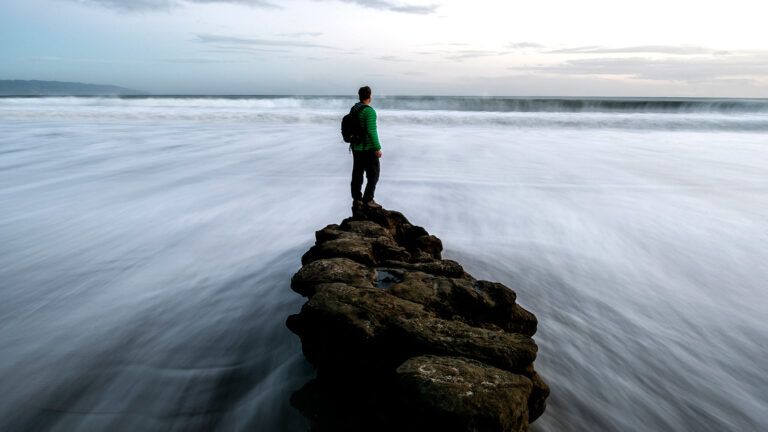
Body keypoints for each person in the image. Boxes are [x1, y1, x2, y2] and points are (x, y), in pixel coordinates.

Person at [350, 86, 383, 209]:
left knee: (357, 174)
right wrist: (377, 148)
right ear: (370, 96)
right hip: (367, 149)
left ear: (359, 96)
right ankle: (368, 200)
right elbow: (371, 131)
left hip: (355, 147)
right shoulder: (369, 111)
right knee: (373, 174)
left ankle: (357, 199)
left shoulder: (355, 108)